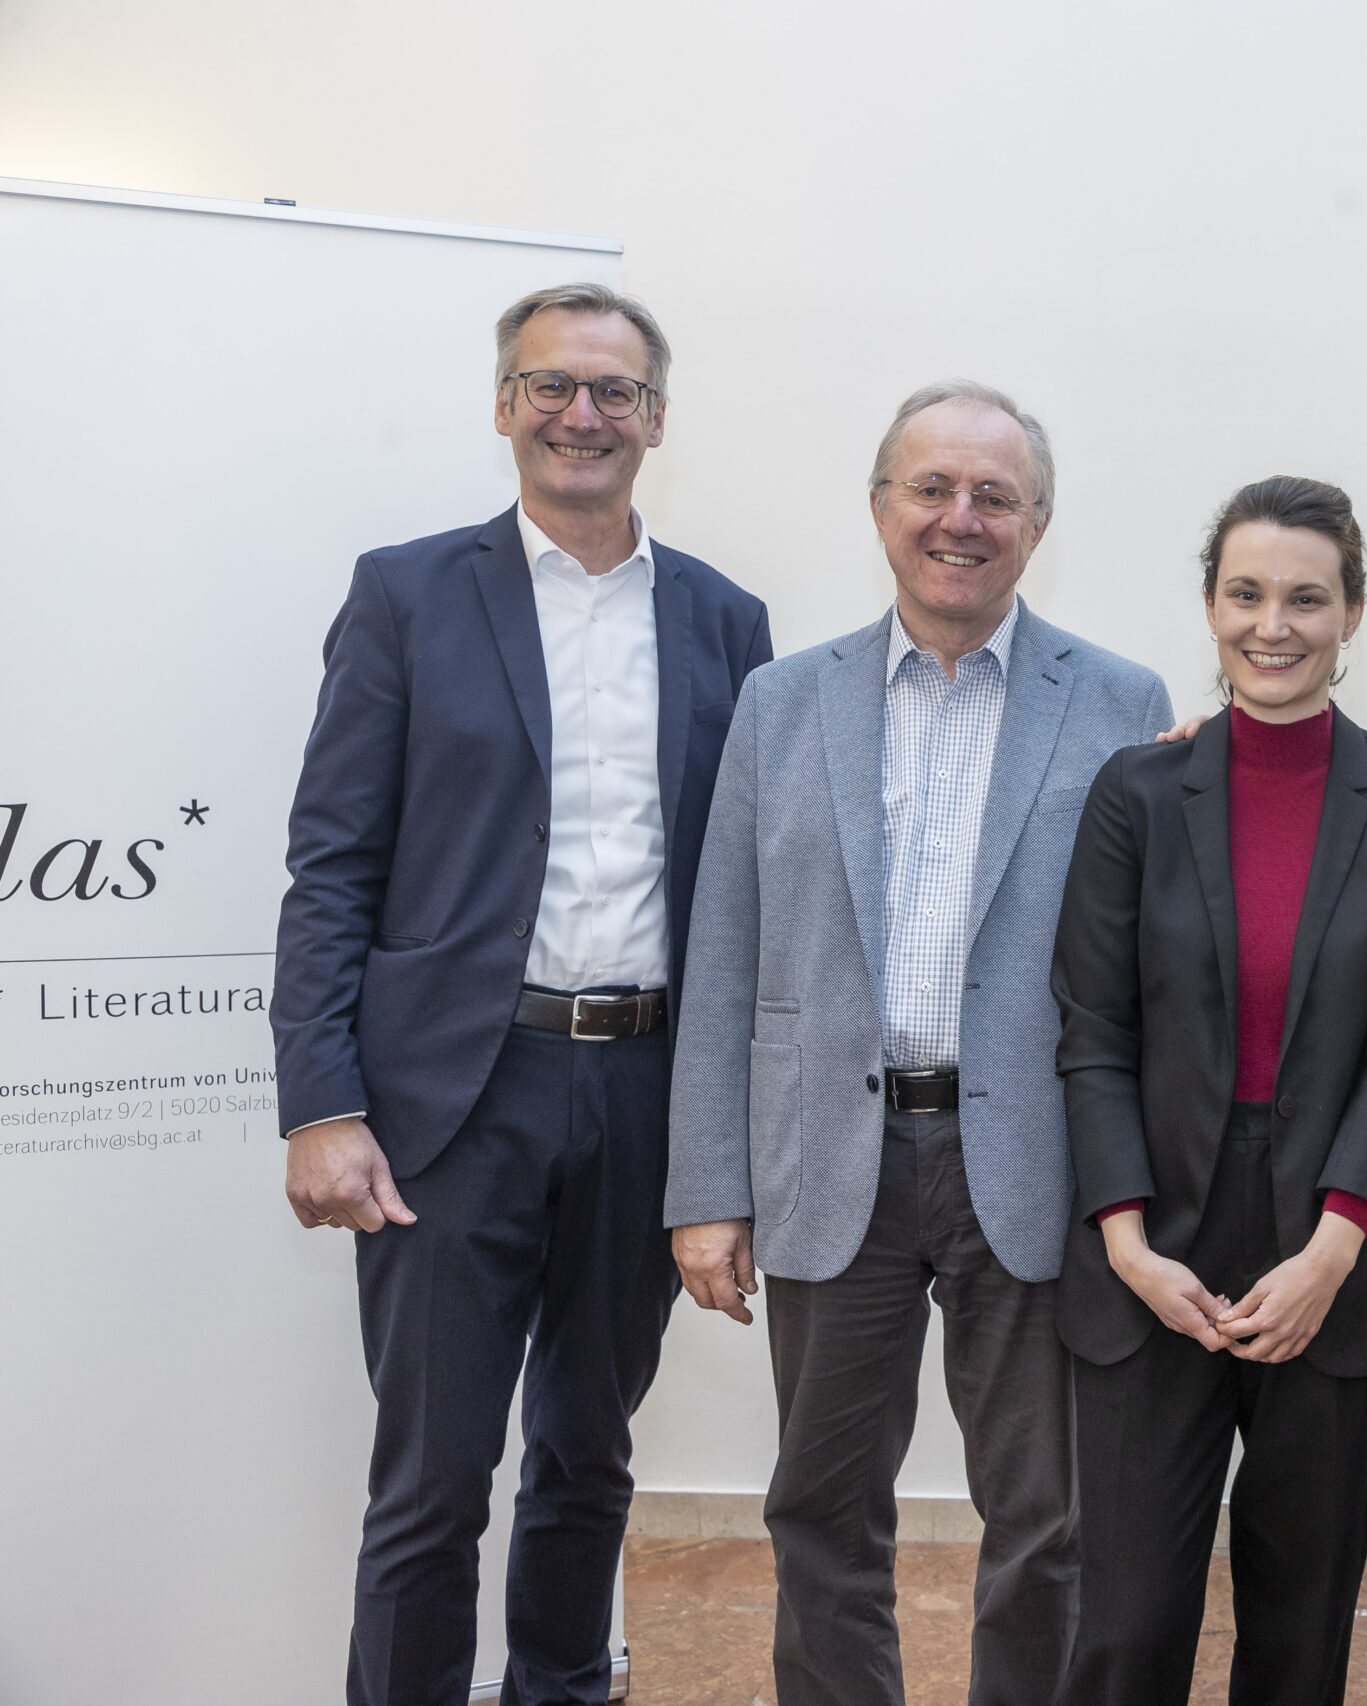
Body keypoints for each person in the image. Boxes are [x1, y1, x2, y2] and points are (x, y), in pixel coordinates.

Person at [272, 283, 771, 1705]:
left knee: (589, 1455)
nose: (581, 414)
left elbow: (754, 873)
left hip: (644, 1090)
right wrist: (320, 1101)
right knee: (432, 1477)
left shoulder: (725, 619)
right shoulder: (408, 594)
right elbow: (332, 865)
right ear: (504, 405)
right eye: (551, 384)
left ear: (656, 419)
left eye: (614, 391)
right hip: (452, 1098)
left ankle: (564, 1686)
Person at [664, 381, 1173, 1706]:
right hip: (834, 1157)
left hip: (1038, 1160)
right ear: (881, 505)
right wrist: (707, 1189)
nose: (962, 518)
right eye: (932, 487)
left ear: (1038, 522)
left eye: (995, 495)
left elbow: (1154, 967)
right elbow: (724, 953)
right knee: (820, 1506)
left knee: (1048, 1517)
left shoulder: (1120, 701)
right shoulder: (782, 702)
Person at [1048, 476, 1367, 1705]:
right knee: (1124, 1629)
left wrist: (1332, 1250)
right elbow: (1092, 1031)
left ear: (1351, 613)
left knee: (1299, 1635)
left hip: (1337, 1247)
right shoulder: (1135, 792)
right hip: (1151, 1249)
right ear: (1210, 604)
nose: (1271, 625)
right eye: (1245, 593)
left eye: (1305, 598)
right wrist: (1126, 1242)